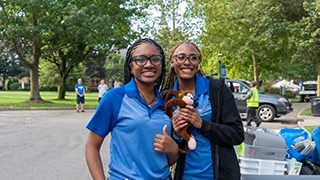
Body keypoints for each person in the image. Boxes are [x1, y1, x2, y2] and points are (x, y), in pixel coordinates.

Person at [85, 38, 178, 179]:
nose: (148, 64)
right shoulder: (115, 98)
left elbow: (166, 159)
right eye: (140, 59)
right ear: (130, 66)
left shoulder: (166, 104)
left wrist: (174, 150)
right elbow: (92, 146)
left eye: (155, 59)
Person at [162, 41, 244, 180]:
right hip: (185, 176)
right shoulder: (167, 98)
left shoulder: (217, 90)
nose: (187, 62)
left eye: (193, 57)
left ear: (199, 61)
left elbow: (237, 134)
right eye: (181, 57)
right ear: (172, 61)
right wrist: (176, 134)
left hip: (220, 175)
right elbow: (169, 147)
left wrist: (202, 124)